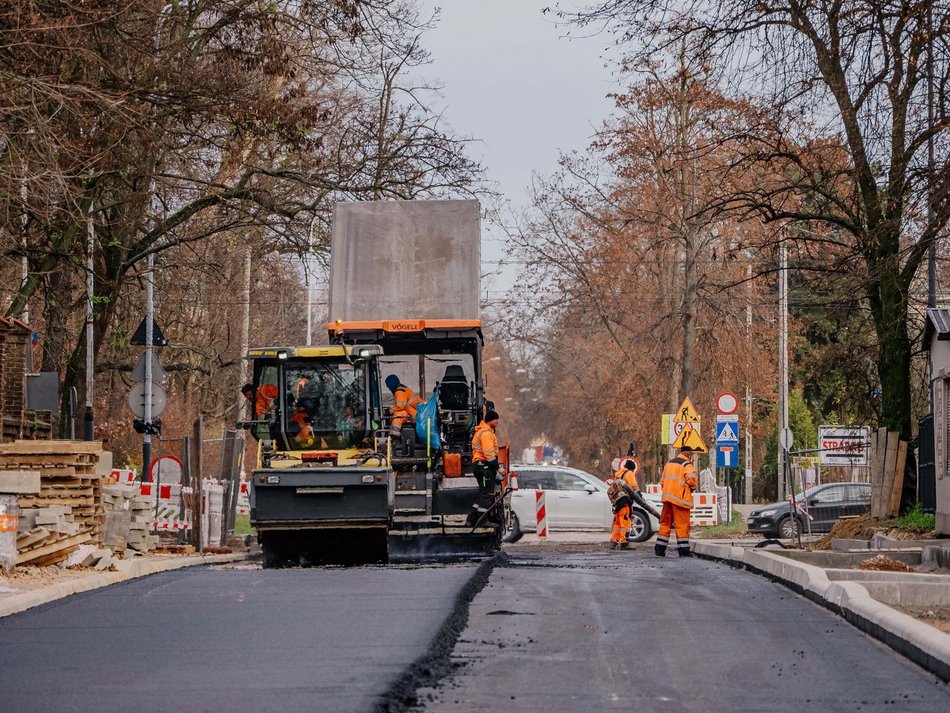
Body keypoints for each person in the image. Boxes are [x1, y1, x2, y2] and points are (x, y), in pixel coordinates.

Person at [655, 446, 699, 557]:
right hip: (680, 500)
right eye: (692, 454)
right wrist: (691, 489)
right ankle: (684, 551)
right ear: (688, 453)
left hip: (667, 499)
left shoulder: (669, 464)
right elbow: (692, 480)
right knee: (682, 525)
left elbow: (662, 481)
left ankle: (659, 549)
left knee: (665, 524)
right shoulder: (686, 465)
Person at [470, 409, 504, 523]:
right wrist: (498, 468)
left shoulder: (482, 432)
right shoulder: (486, 434)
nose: (497, 421)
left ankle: (472, 519)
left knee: (482, 492)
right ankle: (482, 520)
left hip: (479, 465)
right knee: (487, 493)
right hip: (484, 466)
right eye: (496, 419)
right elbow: (489, 455)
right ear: (490, 420)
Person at [608, 458, 640, 550]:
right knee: (625, 522)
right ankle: (623, 541)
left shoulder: (618, 474)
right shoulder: (629, 474)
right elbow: (634, 487)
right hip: (625, 502)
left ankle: (614, 541)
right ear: (631, 468)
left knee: (618, 523)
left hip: (618, 502)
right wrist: (640, 497)